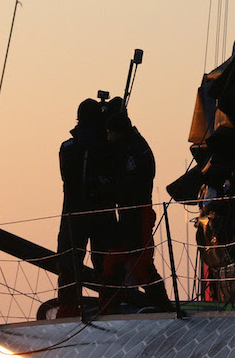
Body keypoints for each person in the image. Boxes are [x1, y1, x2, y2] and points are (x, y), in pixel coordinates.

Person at [101, 98, 171, 310]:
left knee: (141, 265)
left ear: (117, 132)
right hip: (129, 214)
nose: (108, 137)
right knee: (113, 262)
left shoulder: (134, 152)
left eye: (109, 133)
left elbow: (130, 186)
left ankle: (164, 308)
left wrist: (108, 187)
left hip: (137, 213)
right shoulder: (131, 146)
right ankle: (108, 308)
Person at [56, 98, 115, 316]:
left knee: (69, 265)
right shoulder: (108, 146)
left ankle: (67, 309)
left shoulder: (67, 147)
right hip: (102, 214)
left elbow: (66, 177)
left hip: (73, 214)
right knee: (105, 265)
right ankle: (108, 309)